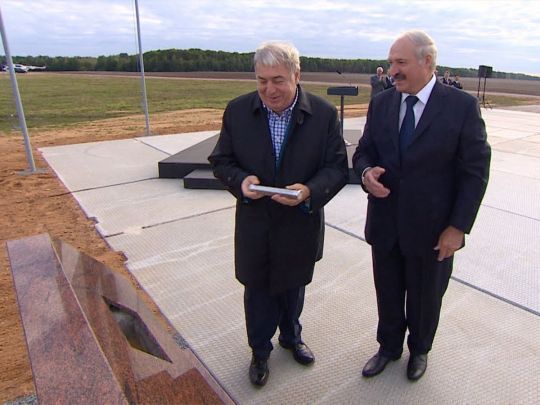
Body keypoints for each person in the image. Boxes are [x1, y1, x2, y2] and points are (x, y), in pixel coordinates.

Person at [208, 41, 349, 387]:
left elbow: (336, 168)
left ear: (296, 75)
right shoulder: (238, 111)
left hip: (299, 222)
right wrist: (241, 182)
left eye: (278, 80)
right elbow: (221, 161)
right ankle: (260, 351)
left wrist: (309, 191)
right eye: (262, 81)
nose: (269, 89)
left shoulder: (323, 115)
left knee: (293, 286)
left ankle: (291, 337)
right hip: (256, 224)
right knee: (257, 291)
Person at [352, 30, 490, 381]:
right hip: (385, 223)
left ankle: (420, 350)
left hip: (434, 230)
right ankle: (388, 347)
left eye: (400, 62)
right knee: (387, 292)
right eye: (390, 63)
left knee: (426, 297)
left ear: (427, 62)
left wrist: (457, 227)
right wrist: (366, 173)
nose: (392, 71)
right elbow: (364, 150)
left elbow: (475, 172)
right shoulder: (382, 102)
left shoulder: (461, 107)